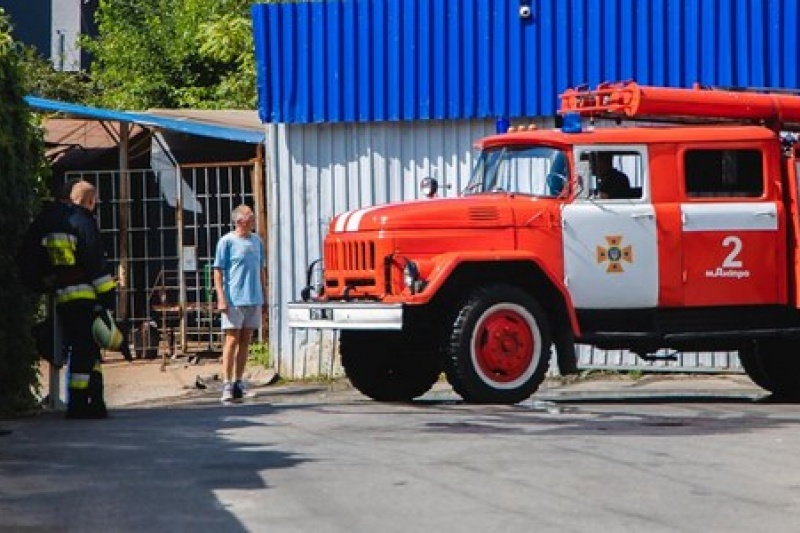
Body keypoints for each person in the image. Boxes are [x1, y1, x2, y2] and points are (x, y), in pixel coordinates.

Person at [35, 180, 117, 418]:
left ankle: (94, 399)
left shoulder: (54, 223)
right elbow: (95, 263)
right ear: (89, 201)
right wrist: (107, 296)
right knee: (85, 350)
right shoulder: (84, 223)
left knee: (86, 349)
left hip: (63, 296)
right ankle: (79, 403)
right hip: (85, 296)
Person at [213, 204, 267, 403]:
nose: (252, 218)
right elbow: (218, 271)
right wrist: (221, 297)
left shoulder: (257, 241)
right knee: (231, 340)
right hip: (234, 298)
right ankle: (226, 384)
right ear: (239, 220)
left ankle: (238, 382)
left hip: (253, 298)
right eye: (249, 216)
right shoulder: (226, 242)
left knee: (246, 340)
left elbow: (261, 269)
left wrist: (264, 296)